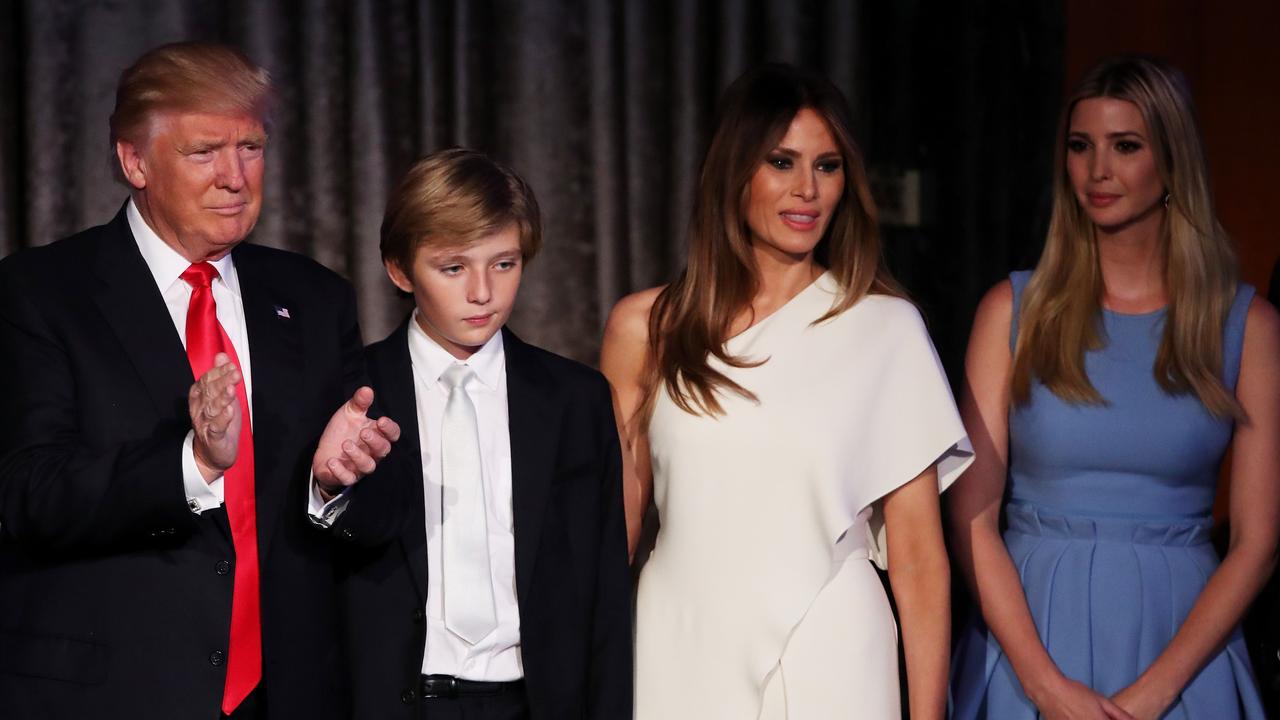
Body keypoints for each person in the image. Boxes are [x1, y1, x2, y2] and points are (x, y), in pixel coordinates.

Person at [0, 42, 398, 720]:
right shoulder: (38, 293)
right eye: (203, 151)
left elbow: (382, 517)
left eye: (251, 148)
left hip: (289, 696)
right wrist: (191, 462)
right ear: (134, 161)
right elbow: (28, 495)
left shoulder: (314, 297)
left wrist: (333, 483)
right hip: (114, 694)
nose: (235, 177)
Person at [601, 63, 973, 719]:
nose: (808, 190)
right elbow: (613, 531)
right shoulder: (647, 327)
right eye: (782, 162)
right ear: (735, 171)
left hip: (832, 650)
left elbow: (918, 559)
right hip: (679, 645)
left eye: (827, 167)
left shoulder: (885, 329)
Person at [949, 56, 1277, 720]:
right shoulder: (1011, 311)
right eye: (1080, 146)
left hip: (1183, 650)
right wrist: (1044, 686)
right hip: (1030, 640)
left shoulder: (1246, 325)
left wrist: (1154, 694)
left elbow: (1256, 540)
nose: (1097, 170)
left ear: (1171, 162)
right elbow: (970, 517)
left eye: (1125, 146)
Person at [310, 148, 632, 719]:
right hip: (396, 702)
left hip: (532, 701)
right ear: (400, 269)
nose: (483, 293)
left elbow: (603, 592)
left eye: (504, 264)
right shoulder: (350, 392)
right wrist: (328, 489)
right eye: (453, 267)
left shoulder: (574, 400)